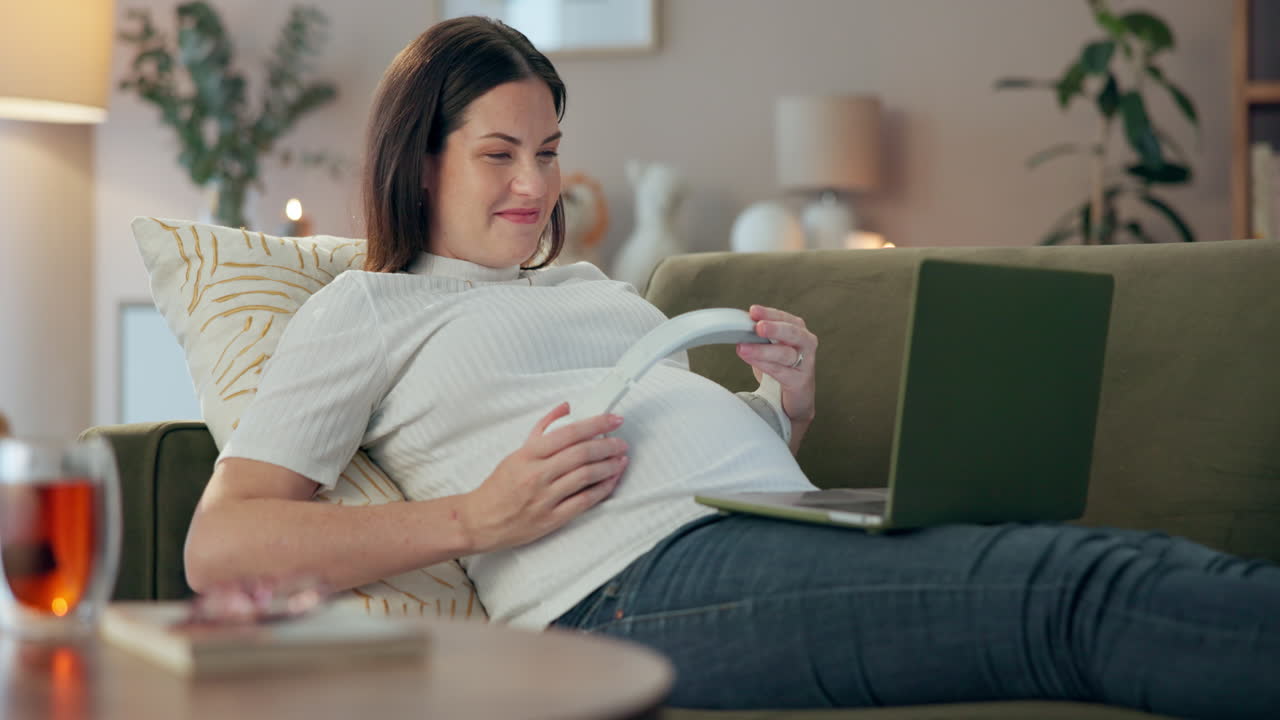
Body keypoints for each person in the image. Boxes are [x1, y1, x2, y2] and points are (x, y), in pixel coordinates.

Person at [184, 16, 1279, 718]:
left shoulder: (587, 288)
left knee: (1096, 557)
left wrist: (780, 414)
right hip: (627, 595)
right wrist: (475, 518)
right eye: (499, 154)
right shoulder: (368, 309)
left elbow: (674, 449)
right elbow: (221, 544)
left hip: (769, 530)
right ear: (417, 160)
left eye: (551, 149)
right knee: (1075, 597)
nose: (536, 182)